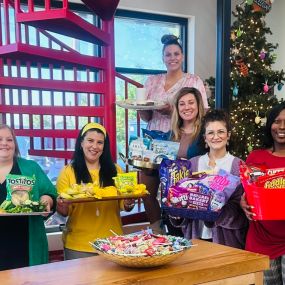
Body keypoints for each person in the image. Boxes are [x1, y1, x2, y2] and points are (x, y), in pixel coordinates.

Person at [138, 34, 209, 234]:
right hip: (155, 143)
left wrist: (173, 111)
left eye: (176, 53)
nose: (172, 58)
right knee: (147, 191)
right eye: (168, 54)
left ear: (183, 56)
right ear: (163, 58)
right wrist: (140, 108)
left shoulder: (193, 80)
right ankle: (159, 231)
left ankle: (184, 232)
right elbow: (146, 116)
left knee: (178, 190)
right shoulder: (152, 81)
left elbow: (202, 112)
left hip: (182, 140)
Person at [170, 109, 248, 249]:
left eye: (221, 132)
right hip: (195, 238)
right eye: (210, 133)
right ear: (205, 138)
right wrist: (178, 213)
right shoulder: (193, 163)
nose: (215, 137)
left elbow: (241, 210)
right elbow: (183, 199)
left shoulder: (238, 165)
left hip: (227, 241)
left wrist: (217, 211)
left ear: (228, 135)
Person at [56, 122, 134, 260]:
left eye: (100, 142)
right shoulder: (67, 172)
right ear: (81, 143)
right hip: (78, 244)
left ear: (104, 147)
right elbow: (64, 212)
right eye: (90, 141)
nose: (94, 146)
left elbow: (125, 205)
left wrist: (129, 202)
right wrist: (62, 206)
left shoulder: (116, 170)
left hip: (113, 242)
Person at [0, 124, 57, 270]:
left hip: (26, 244)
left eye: (9, 139)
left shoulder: (31, 168)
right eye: (0, 139)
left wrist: (46, 200)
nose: (4, 143)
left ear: (15, 144)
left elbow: (50, 193)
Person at [240, 103, 285, 284]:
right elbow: (248, 192)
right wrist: (242, 202)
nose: (281, 127)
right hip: (261, 241)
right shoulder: (256, 157)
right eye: (276, 121)